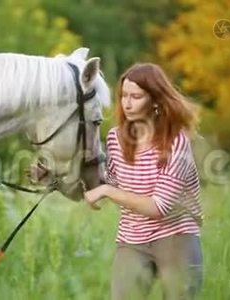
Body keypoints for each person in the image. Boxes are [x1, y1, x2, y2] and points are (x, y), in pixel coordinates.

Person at [84, 63, 204, 300]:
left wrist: (106, 190)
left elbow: (158, 207)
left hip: (177, 238)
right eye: (124, 96)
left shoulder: (176, 142)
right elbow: (112, 186)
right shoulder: (116, 138)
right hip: (132, 240)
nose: (127, 103)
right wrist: (62, 173)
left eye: (136, 97)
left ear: (156, 100)